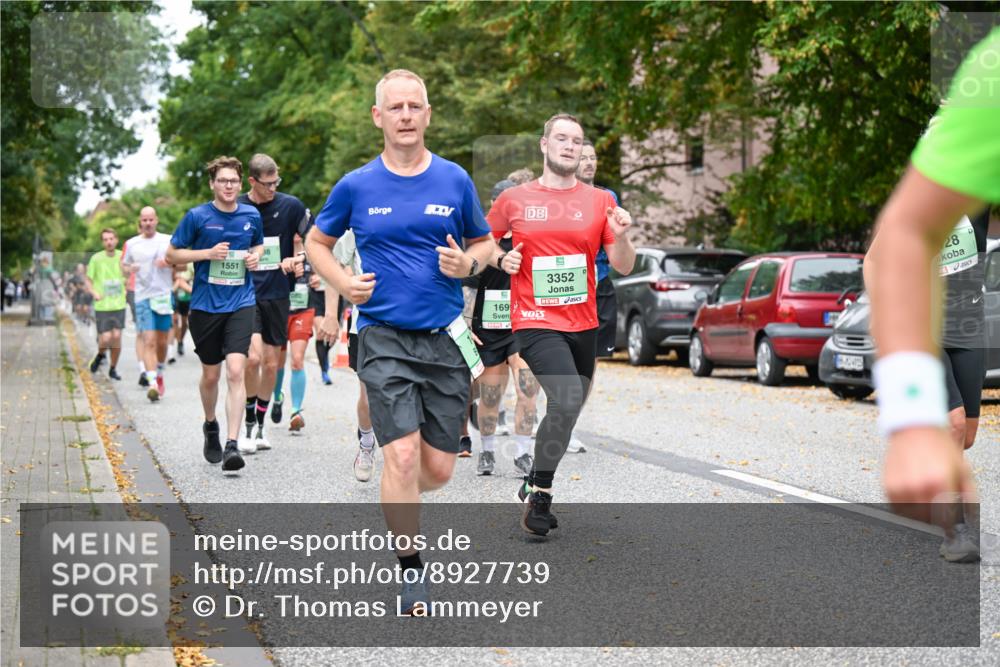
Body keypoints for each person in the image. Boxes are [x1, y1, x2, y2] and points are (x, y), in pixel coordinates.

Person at [306, 69, 495, 613]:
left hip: (443, 341)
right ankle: (411, 569)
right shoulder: (357, 185)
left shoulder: (454, 180)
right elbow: (318, 243)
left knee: (437, 469)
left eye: (415, 106)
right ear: (378, 117)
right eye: (396, 108)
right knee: (405, 457)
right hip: (383, 337)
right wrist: (342, 283)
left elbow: (484, 243)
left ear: (428, 114)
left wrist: (468, 263)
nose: (406, 116)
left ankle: (399, 496)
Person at [864, 28, 998, 560]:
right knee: (947, 426)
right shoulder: (933, 196)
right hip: (929, 324)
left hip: (969, 322)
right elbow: (884, 259)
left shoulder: (980, 201)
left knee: (964, 436)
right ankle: (958, 532)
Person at [488, 113, 635, 536]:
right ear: (544, 145)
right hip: (534, 319)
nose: (570, 146)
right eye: (562, 138)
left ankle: (536, 485)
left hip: (583, 320)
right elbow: (479, 245)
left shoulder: (601, 200)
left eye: (577, 140)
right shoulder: (514, 199)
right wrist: (500, 258)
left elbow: (623, 266)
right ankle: (541, 497)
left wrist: (622, 236)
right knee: (568, 397)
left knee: (568, 409)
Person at [167, 155, 263, 473]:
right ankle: (211, 426)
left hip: (241, 301)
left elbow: (259, 246)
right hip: (205, 306)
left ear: (240, 183)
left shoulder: (251, 214)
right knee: (212, 375)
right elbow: (172, 254)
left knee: (237, 369)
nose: (228, 185)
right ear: (212, 184)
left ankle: (233, 446)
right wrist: (206, 254)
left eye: (233, 181)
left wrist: (254, 258)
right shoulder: (197, 217)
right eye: (222, 180)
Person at [237, 154, 310, 454]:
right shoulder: (238, 206)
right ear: (252, 181)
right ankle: (246, 423)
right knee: (252, 360)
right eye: (268, 184)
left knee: (270, 365)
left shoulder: (290, 206)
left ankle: (261, 424)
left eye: (276, 181)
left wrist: (299, 258)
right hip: (244, 293)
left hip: (278, 294)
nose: (273, 188)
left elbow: (315, 239)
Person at [469, 179, 540, 477]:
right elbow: (469, 288)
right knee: (490, 396)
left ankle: (523, 453)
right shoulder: (482, 243)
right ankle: (486, 450)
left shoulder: (534, 237)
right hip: (489, 326)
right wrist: (465, 324)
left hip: (524, 323)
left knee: (528, 390)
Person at [331, 229, 375, 482]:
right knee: (368, 394)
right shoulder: (358, 227)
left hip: (405, 324)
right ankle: (367, 444)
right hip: (364, 324)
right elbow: (334, 265)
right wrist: (330, 314)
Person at [122, 207, 174, 402]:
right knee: (149, 340)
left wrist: (169, 263)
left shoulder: (168, 240)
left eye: (151, 219)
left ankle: (159, 372)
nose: (148, 223)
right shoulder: (132, 244)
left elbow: (183, 265)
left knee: (161, 342)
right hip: (142, 297)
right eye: (144, 220)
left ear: (156, 220)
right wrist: (129, 269)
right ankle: (152, 383)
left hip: (163, 296)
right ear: (140, 222)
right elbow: (124, 268)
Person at [85, 228, 127, 380]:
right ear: (103, 242)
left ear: (116, 240)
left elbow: (128, 275)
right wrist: (94, 293)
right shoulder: (96, 258)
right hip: (102, 306)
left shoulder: (122, 257)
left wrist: (127, 288)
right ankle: (100, 355)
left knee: (116, 336)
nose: (109, 242)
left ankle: (113, 368)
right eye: (106, 239)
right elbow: (88, 281)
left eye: (111, 238)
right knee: (106, 338)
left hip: (119, 304)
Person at [172, 263, 194, 358]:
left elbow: (194, 276)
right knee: (175, 320)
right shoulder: (171, 258)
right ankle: (177, 341)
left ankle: (180, 341)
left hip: (186, 297)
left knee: (185, 322)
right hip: (175, 295)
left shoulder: (190, 263)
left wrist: (185, 280)